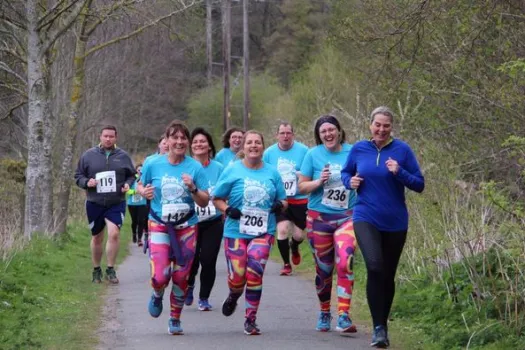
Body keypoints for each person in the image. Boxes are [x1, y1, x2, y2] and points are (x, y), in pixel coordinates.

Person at [341, 106, 424, 348]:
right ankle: (378, 328)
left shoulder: (402, 150)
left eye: (386, 125)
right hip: (365, 215)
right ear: (370, 125)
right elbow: (346, 173)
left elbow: (419, 184)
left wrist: (399, 172)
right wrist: (350, 181)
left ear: (391, 128)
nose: (381, 129)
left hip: (396, 221)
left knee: (387, 274)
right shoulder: (359, 149)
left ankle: (383, 326)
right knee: (375, 266)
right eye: (377, 124)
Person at [137, 120, 210, 335]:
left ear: (187, 142)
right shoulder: (152, 163)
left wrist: (193, 189)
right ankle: (157, 293)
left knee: (181, 277)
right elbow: (140, 185)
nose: (179, 141)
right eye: (174, 137)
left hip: (186, 226)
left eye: (182, 138)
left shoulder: (195, 167)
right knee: (160, 276)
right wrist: (143, 192)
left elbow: (205, 201)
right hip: (159, 224)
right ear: (166, 141)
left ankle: (175, 317)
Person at [212, 130, 287, 335]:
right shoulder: (232, 170)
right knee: (238, 278)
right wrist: (227, 210)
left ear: (263, 147)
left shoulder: (272, 172)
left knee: (255, 271)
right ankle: (234, 294)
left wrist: (280, 205)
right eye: (249, 143)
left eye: (257, 143)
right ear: (243, 148)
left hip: (263, 231)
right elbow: (216, 198)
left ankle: (250, 319)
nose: (253, 146)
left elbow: (284, 199)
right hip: (235, 231)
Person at [298, 115, 357, 334]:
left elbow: (365, 176)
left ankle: (343, 314)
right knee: (323, 270)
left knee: (345, 261)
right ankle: (324, 311)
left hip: (348, 217)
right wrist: (318, 182)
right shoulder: (312, 155)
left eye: (331, 130)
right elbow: (301, 187)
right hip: (318, 219)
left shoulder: (353, 152)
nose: (328, 134)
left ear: (339, 131)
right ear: (319, 135)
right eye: (323, 132)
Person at [74, 125, 136, 284]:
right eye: (105, 136)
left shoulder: (123, 156)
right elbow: (78, 176)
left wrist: (128, 185)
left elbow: (131, 175)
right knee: (97, 237)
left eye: (111, 136)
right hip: (95, 202)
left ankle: (110, 268)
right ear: (100, 137)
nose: (108, 139)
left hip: (116, 202)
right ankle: (96, 270)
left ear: (116, 138)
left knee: (114, 233)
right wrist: (88, 182)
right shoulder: (88, 155)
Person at [185, 127, 224, 311]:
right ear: (191, 147)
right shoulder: (185, 167)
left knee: (208, 259)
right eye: (195, 142)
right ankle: (189, 284)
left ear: (209, 146)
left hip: (213, 221)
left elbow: (227, 191)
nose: (199, 144)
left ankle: (204, 297)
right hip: (190, 221)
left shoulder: (219, 169)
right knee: (191, 260)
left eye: (202, 141)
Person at [262, 122, 309, 276]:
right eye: (282, 133)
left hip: (300, 200)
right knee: (282, 230)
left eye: (288, 133)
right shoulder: (269, 153)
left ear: (293, 135)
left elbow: (309, 170)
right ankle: (286, 264)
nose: (285, 136)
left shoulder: (303, 151)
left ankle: (294, 246)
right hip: (281, 200)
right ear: (277, 135)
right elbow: (264, 173)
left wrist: (300, 175)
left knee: (298, 235)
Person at [126, 164, 148, 246]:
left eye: (141, 170)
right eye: (138, 170)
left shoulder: (145, 179)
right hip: (132, 203)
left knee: (141, 221)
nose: (140, 171)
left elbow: (148, 189)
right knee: (134, 221)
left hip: (142, 203)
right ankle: (134, 234)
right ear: (136, 171)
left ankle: (139, 239)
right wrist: (135, 191)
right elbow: (128, 191)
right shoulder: (132, 179)